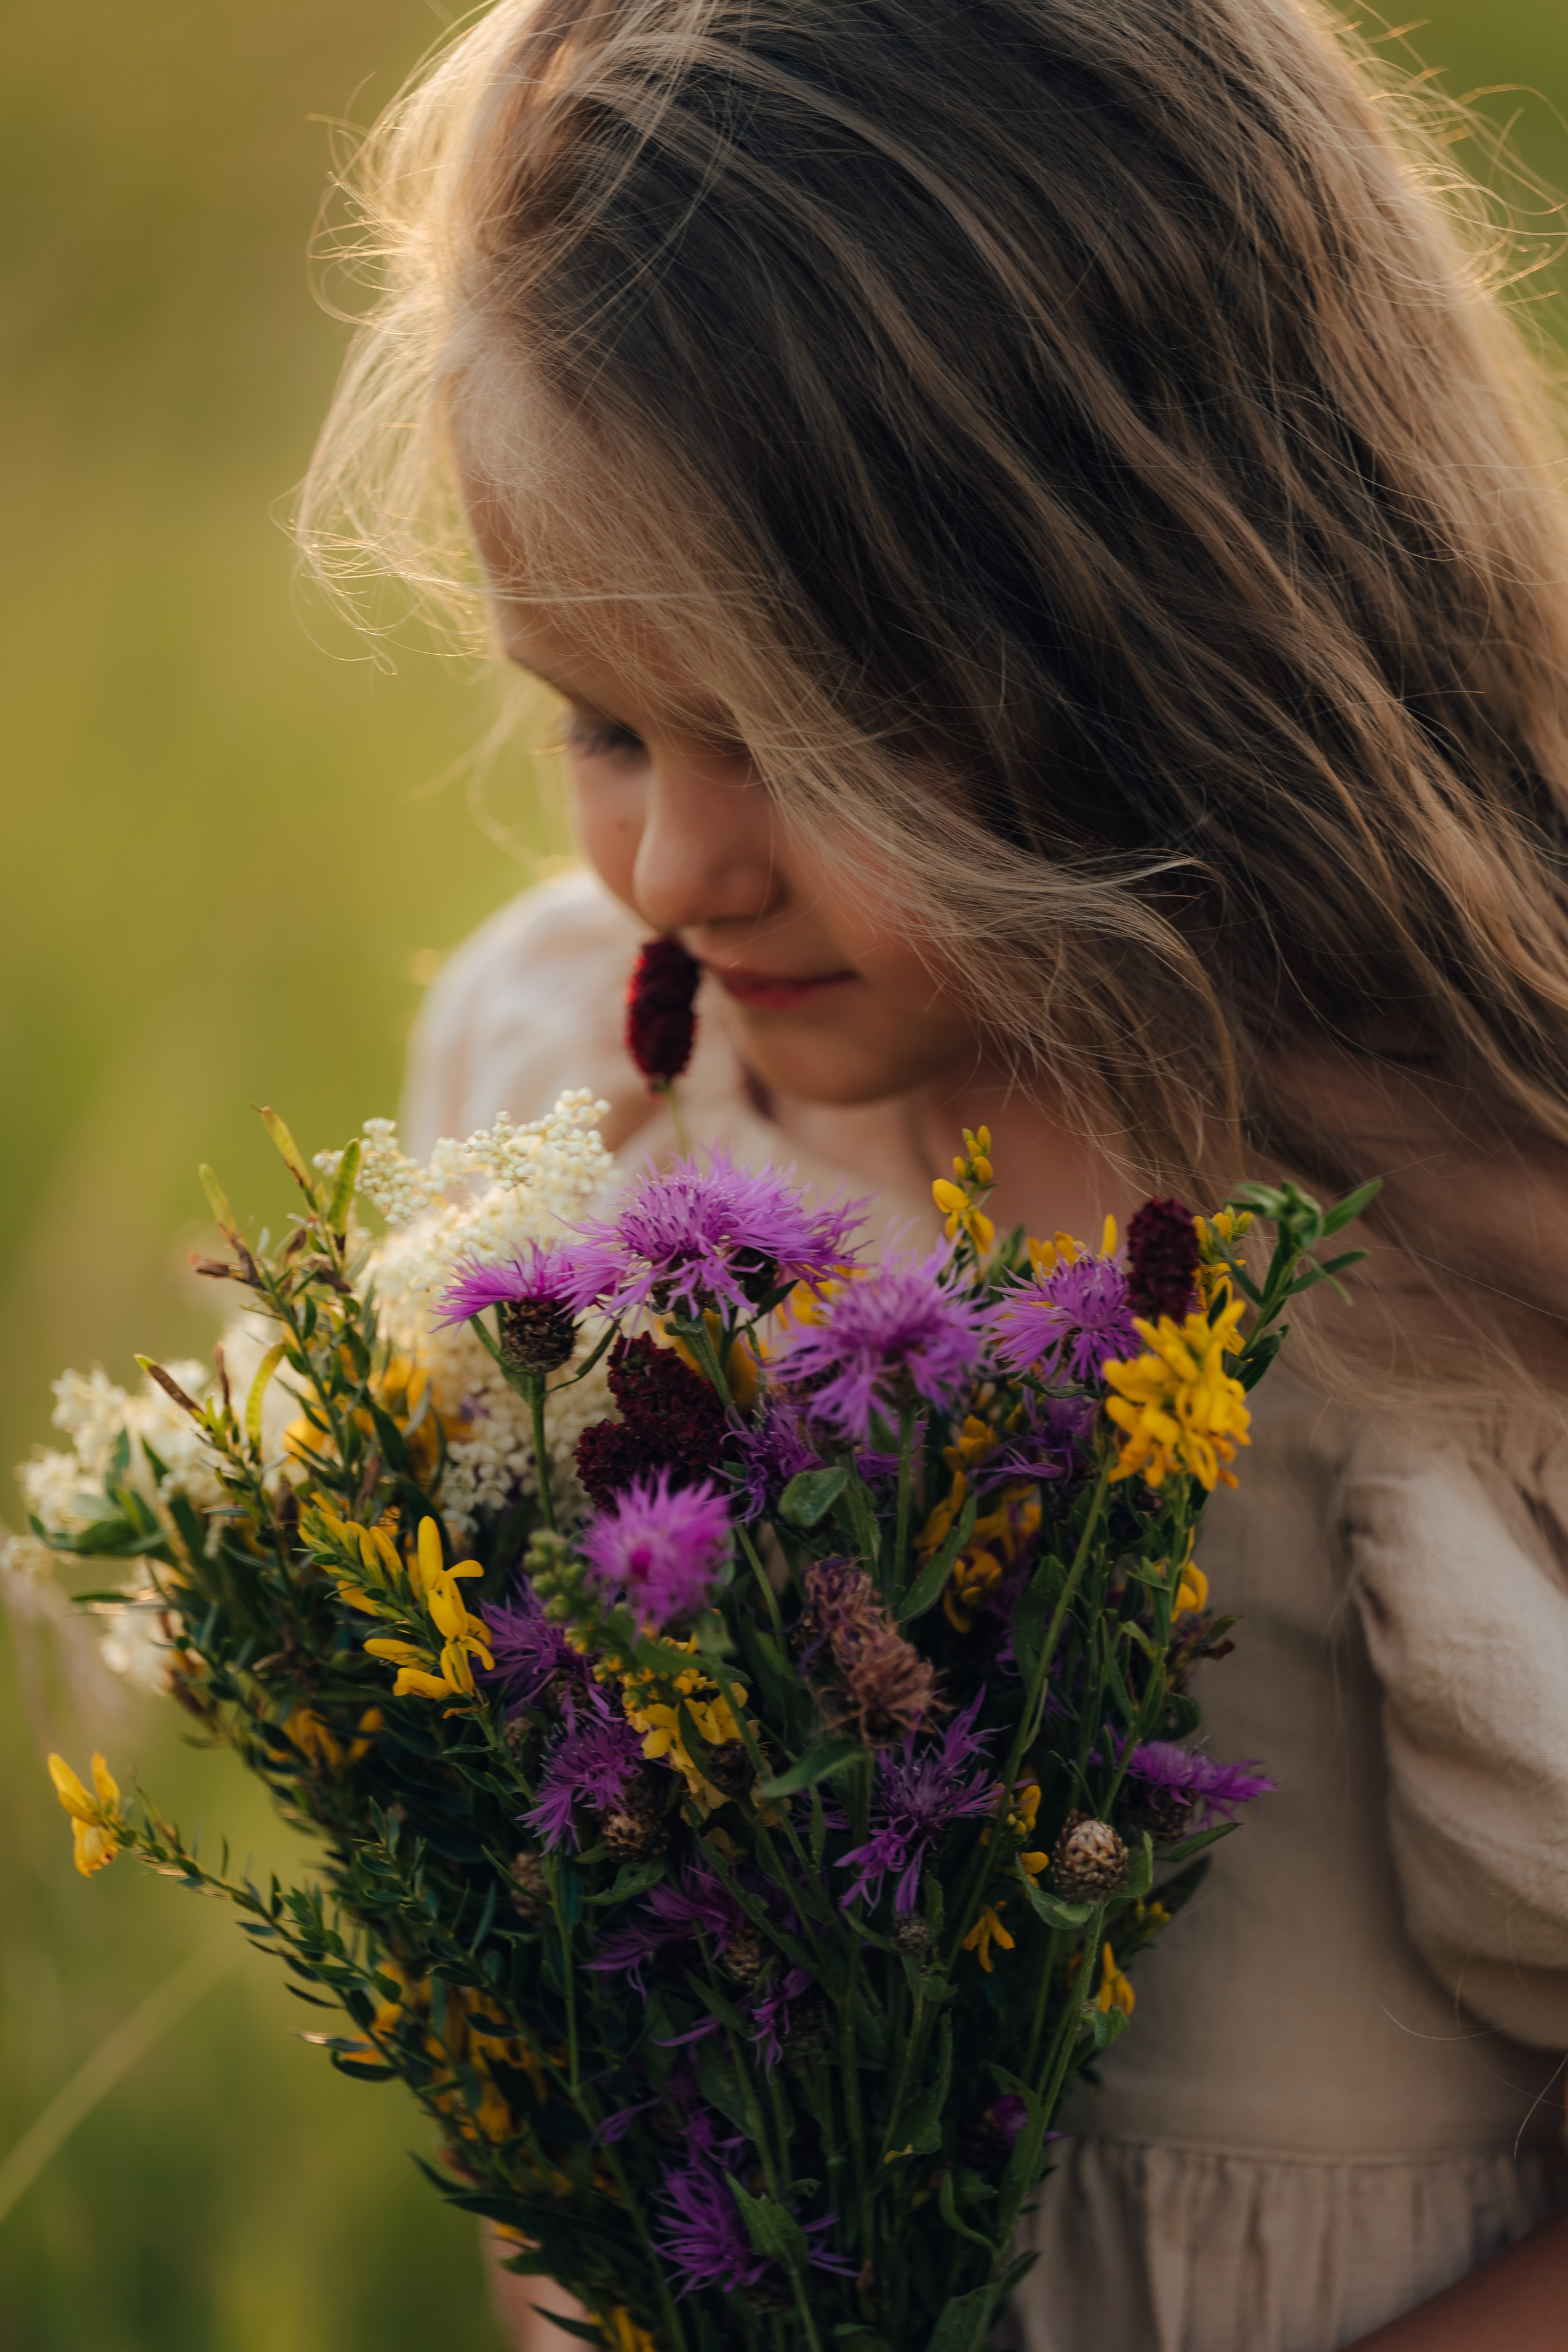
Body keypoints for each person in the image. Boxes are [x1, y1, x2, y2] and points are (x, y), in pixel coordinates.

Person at [301, 3, 1568, 2345]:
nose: (672, 862)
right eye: (600, 720)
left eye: (799, 730)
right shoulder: (564, 1097)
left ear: (1193, 629)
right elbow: (549, 1989)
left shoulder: (1467, 1246)